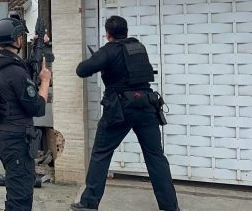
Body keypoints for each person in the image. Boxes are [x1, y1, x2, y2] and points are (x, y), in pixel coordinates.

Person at [70, 15, 179, 211]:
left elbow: (82, 70)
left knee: (101, 154)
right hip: (146, 105)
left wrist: (99, 60)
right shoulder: (139, 48)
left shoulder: (109, 49)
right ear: (126, 32)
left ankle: (88, 203)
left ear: (108, 34)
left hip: (120, 108)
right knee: (155, 156)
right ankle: (170, 206)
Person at [0, 17, 51, 211]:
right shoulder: (14, 72)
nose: (22, 39)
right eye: (21, 36)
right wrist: (44, 82)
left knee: (15, 188)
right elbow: (37, 108)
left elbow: (20, 71)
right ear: (17, 40)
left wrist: (38, 44)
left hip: (0, 135)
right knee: (21, 196)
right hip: (16, 141)